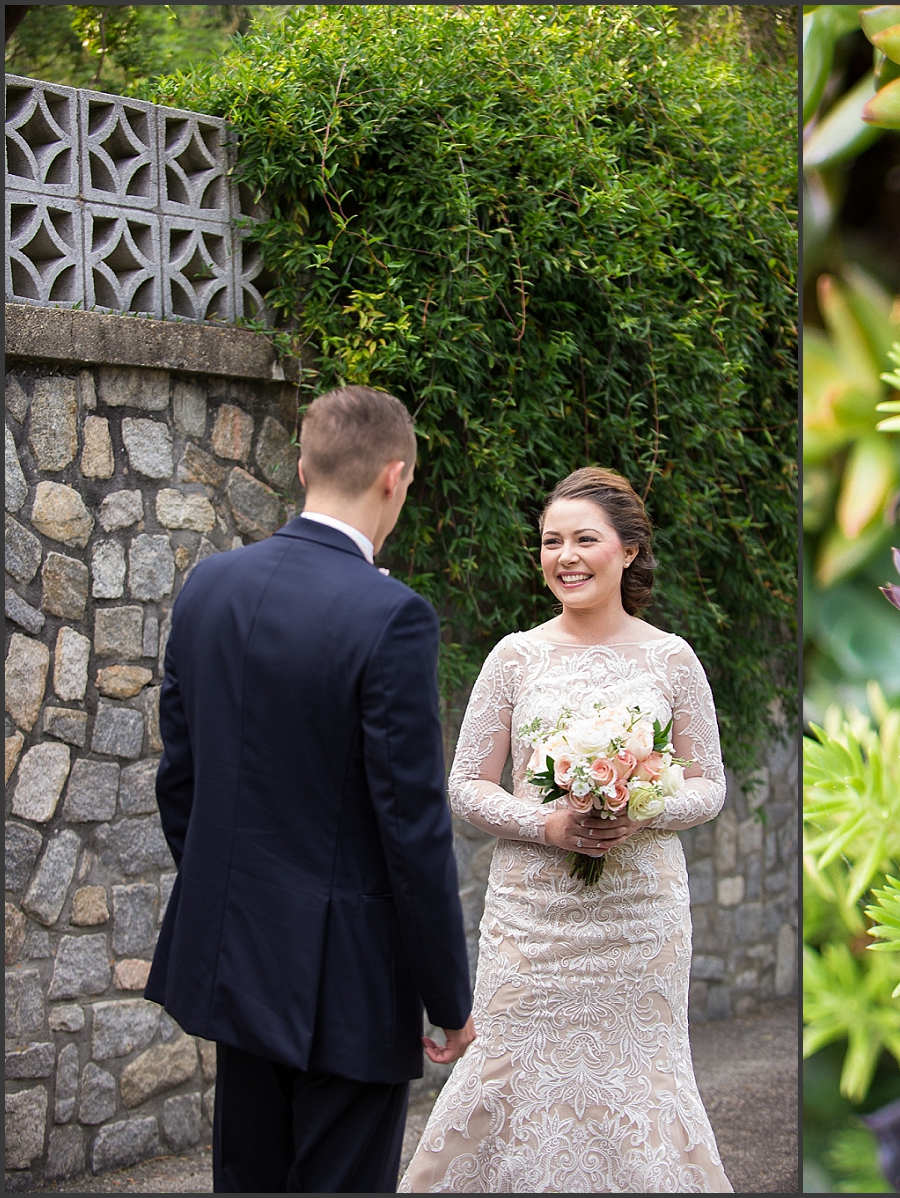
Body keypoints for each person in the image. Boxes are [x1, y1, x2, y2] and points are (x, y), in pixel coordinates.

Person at [146, 385, 477, 1193]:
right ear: (395, 477)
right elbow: (413, 825)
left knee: (248, 1179)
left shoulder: (209, 587)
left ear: (301, 466)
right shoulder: (391, 616)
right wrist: (449, 995)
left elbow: (180, 781)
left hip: (235, 959)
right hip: (347, 984)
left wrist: (237, 904)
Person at [401, 467, 732, 1193]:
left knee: (638, 1079)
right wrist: (550, 825)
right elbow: (464, 785)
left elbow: (709, 785)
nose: (566, 556)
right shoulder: (514, 657)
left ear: (631, 551)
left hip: (639, 920)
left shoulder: (672, 658)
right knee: (510, 1068)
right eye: (552, 541)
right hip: (534, 921)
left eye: (585, 539)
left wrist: (639, 805)